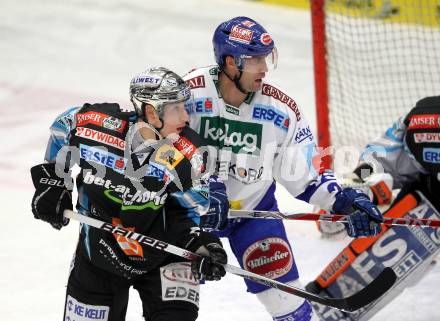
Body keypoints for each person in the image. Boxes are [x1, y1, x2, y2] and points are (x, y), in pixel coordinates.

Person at [183, 16, 383, 321]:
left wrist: (344, 201)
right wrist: (199, 191)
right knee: (173, 304)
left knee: (288, 307)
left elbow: (306, 177)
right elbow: (161, 149)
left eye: (266, 58)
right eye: (254, 60)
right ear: (229, 62)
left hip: (252, 213)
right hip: (188, 215)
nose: (264, 68)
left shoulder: (280, 111)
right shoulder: (188, 94)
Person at [30, 67, 228, 321]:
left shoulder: (189, 153)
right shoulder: (97, 126)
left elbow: (189, 215)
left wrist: (202, 245)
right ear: (150, 111)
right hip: (99, 252)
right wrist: (53, 183)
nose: (186, 117)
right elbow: (62, 128)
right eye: (176, 108)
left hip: (165, 257)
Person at [306, 95, 440, 321]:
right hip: (429, 193)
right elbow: (374, 164)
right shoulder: (423, 121)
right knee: (418, 213)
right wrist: (351, 197)